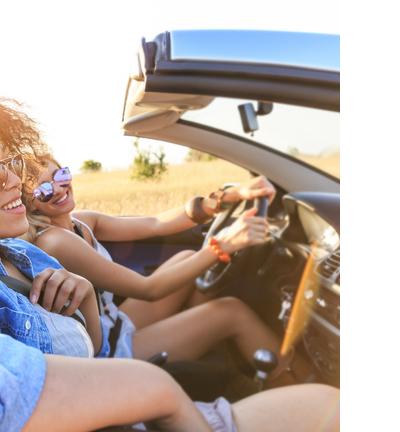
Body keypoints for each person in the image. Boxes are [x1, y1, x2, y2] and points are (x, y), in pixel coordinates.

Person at [0, 90, 339, 432]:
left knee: (334, 405)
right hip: (149, 408)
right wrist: (154, 387)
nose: (14, 181)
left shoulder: (24, 253)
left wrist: (88, 307)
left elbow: (89, 352)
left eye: (8, 164)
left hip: (135, 401)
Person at [21, 155, 312, 384]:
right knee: (232, 311)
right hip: (106, 351)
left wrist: (225, 197)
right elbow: (149, 289)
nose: (58, 188)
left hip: (114, 321)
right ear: (29, 203)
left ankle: (215, 353)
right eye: (43, 189)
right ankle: (299, 382)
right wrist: (224, 244)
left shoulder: (81, 221)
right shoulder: (55, 240)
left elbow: (157, 223)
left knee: (186, 257)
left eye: (61, 175)